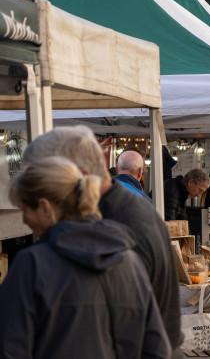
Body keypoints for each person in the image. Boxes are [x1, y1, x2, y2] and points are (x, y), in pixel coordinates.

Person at [21, 126, 184, 357]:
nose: (43, 196)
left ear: (78, 173)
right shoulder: (123, 208)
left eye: (45, 183)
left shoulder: (116, 223)